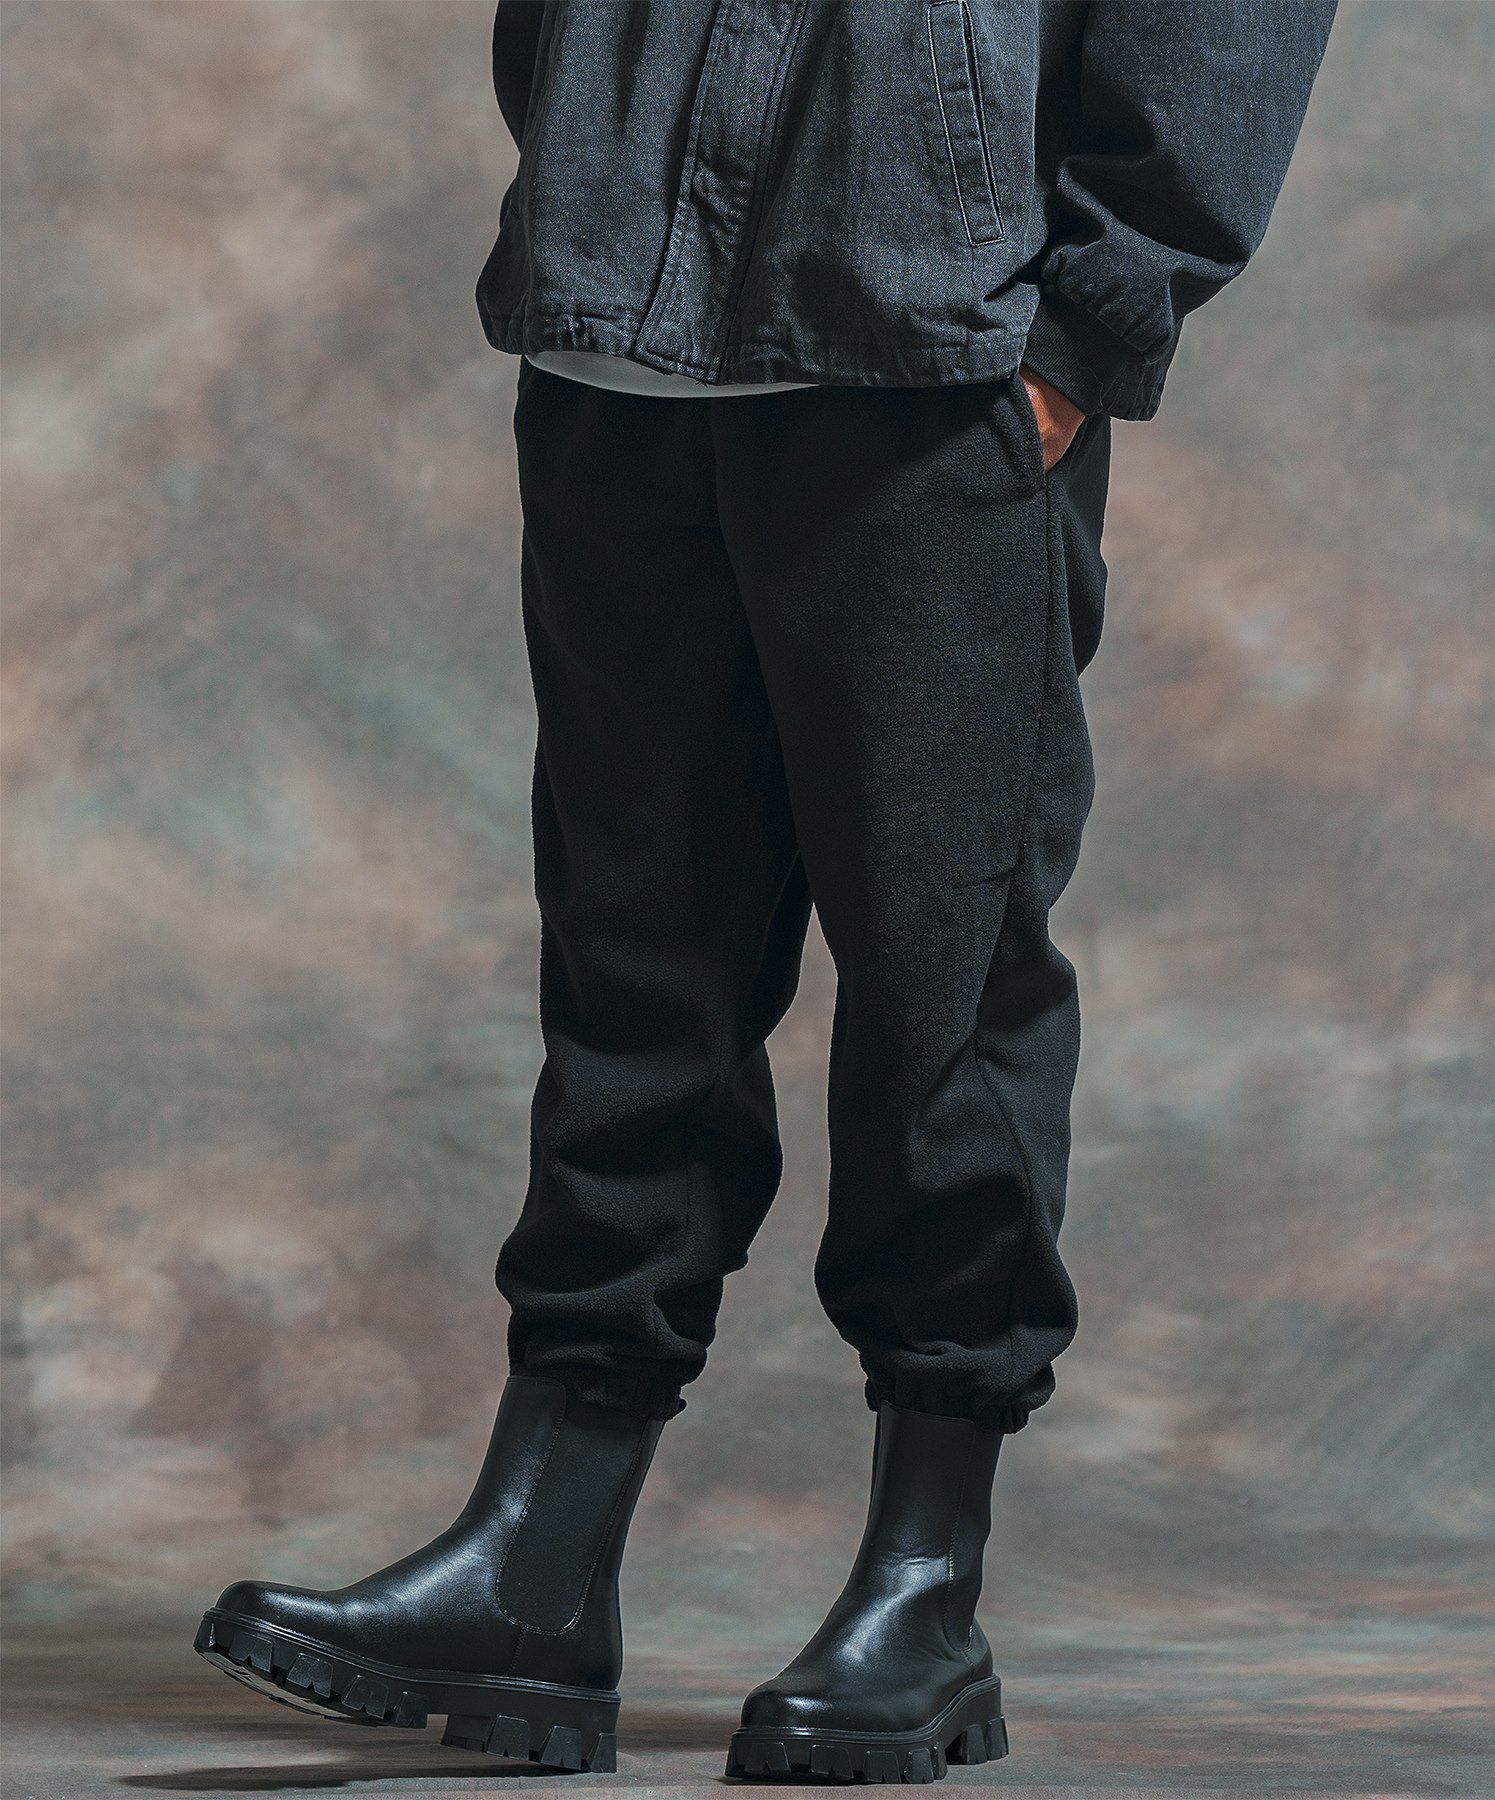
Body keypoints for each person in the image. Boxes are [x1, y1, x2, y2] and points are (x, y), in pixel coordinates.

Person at [195, 1, 1336, 1782]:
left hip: (932, 345)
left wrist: (1091, 317)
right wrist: (587, 140)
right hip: (617, 343)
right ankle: (537, 1566)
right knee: (630, 981)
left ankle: (924, 1593)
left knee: (942, 988)